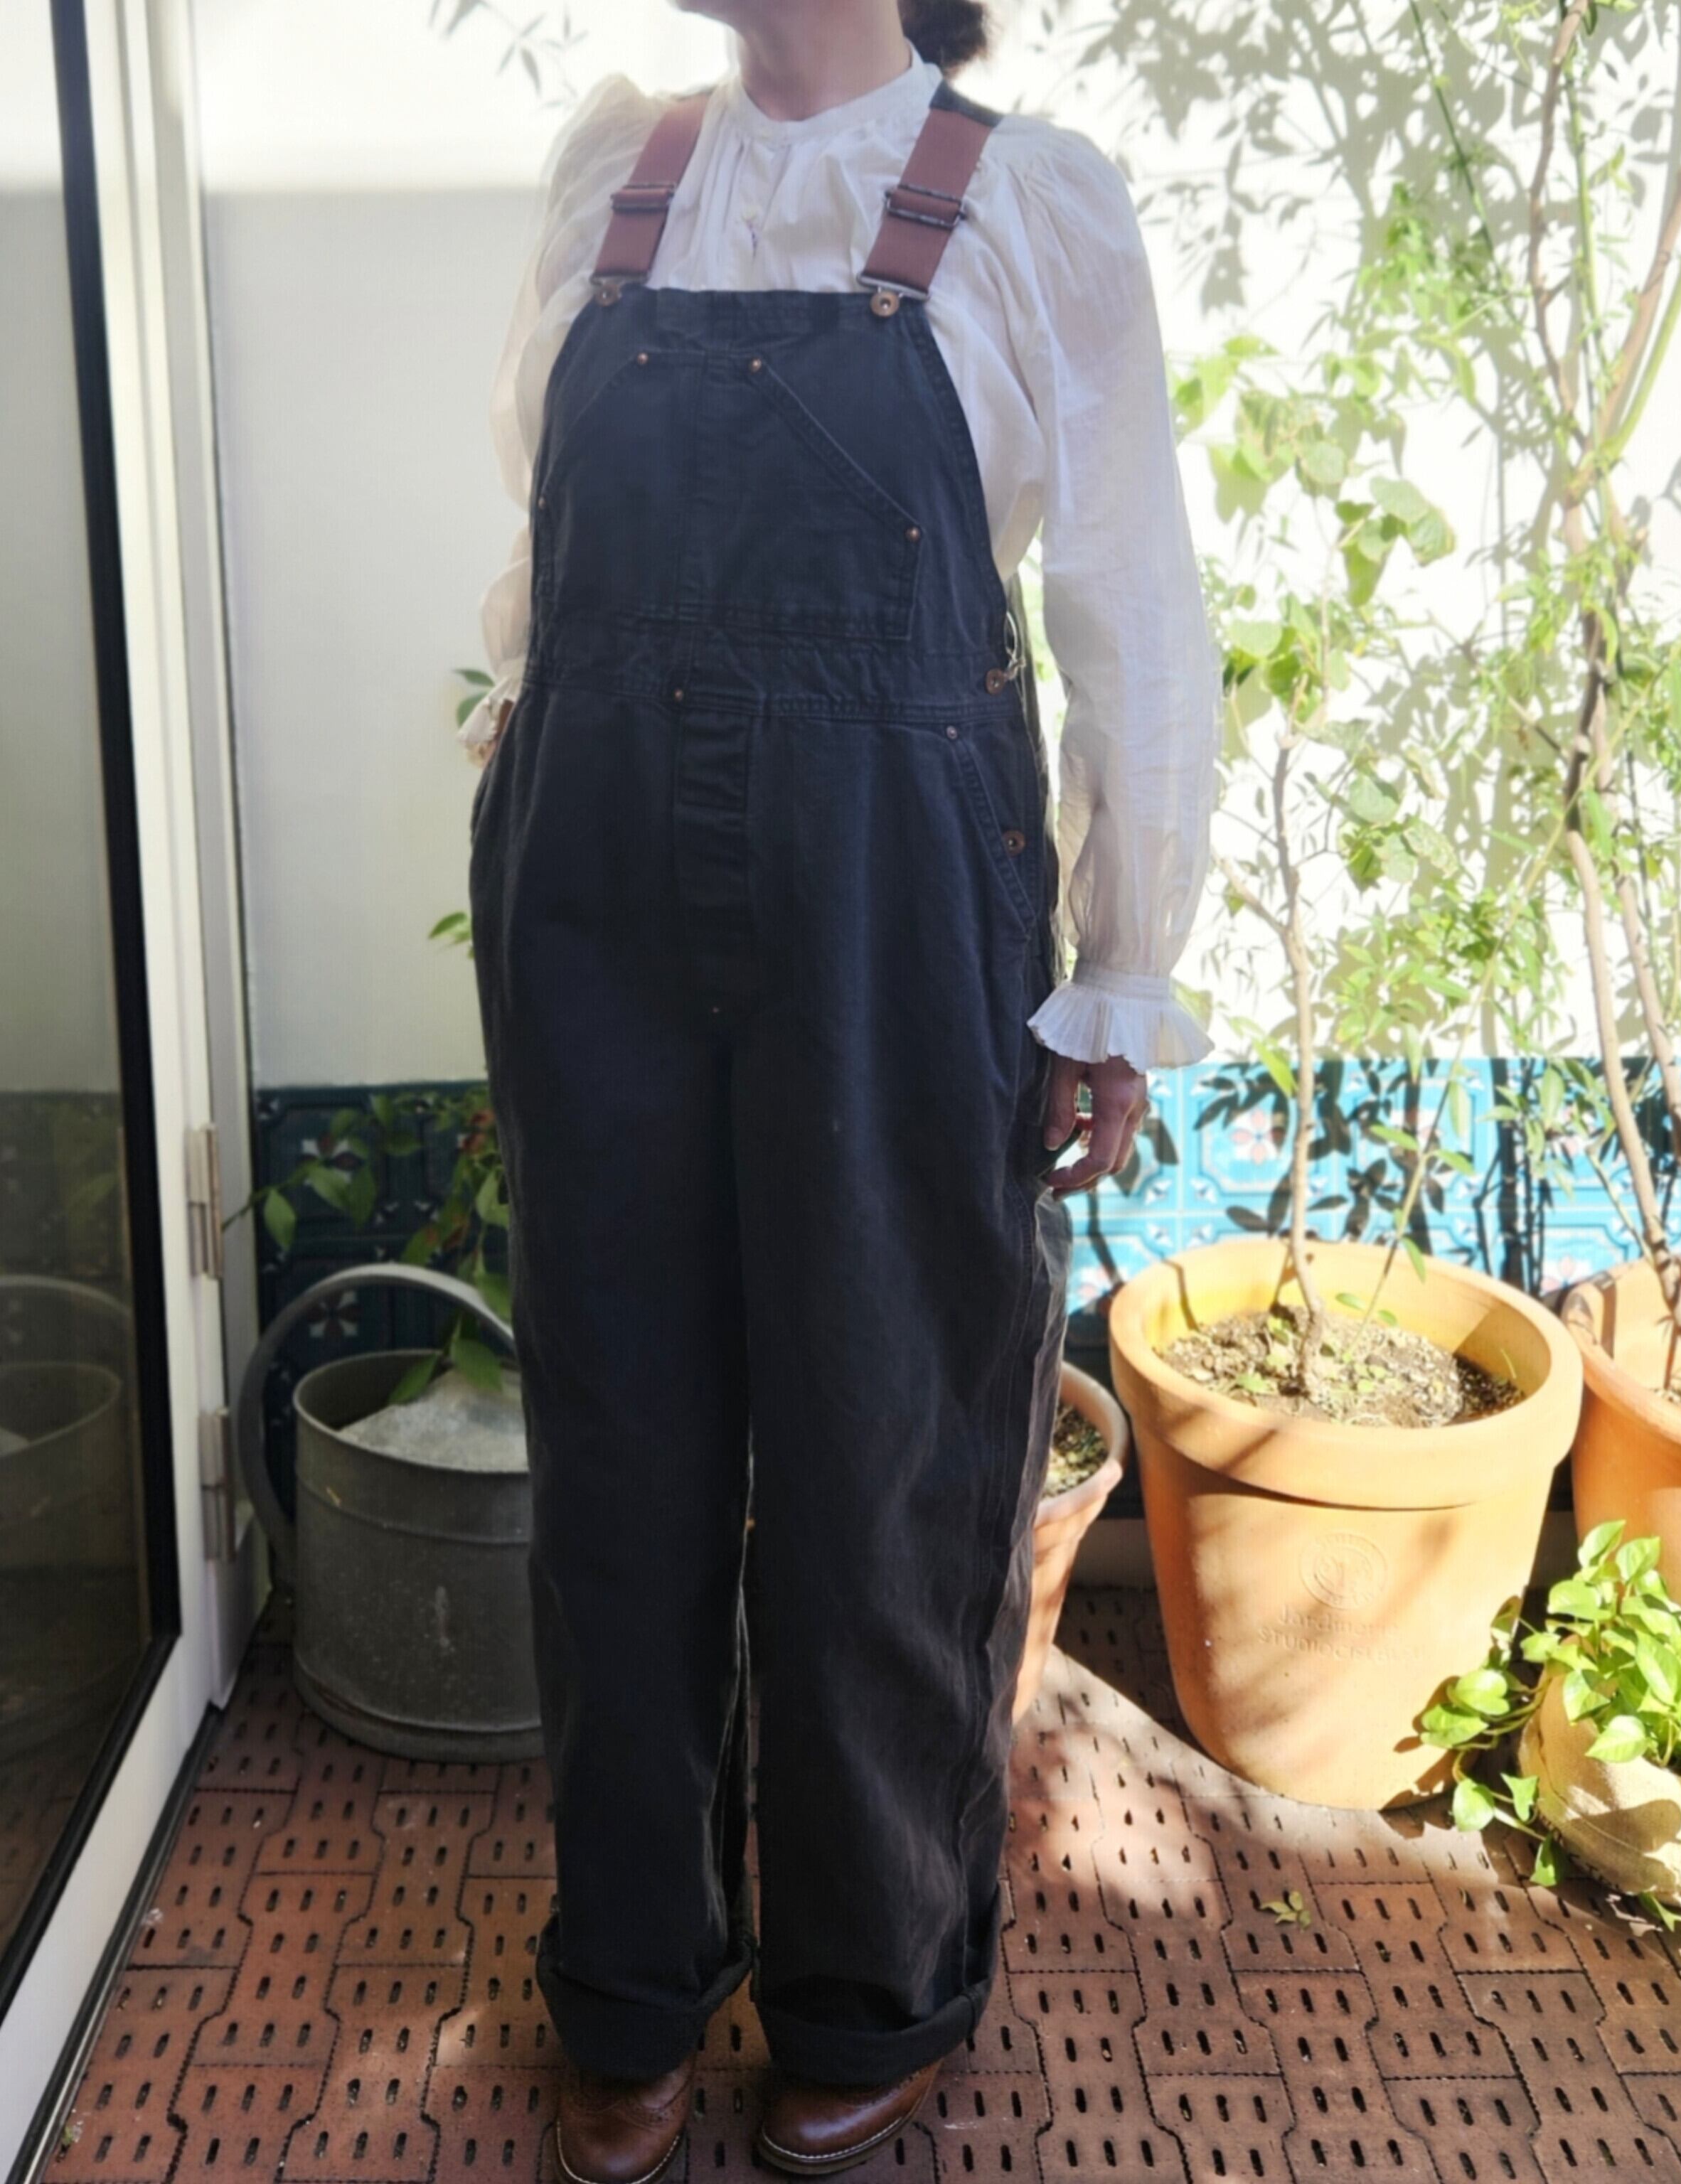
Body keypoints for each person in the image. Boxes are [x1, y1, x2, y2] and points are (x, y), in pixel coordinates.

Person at [464, 1, 1218, 2176]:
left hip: (892, 883)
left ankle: (869, 1980)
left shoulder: (1027, 204)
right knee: (616, 1444)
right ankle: (628, 1978)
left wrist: (1122, 970)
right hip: (594, 871)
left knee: (888, 1439)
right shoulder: (616, 173)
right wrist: (528, 741)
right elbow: (541, 544)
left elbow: (1128, 601)